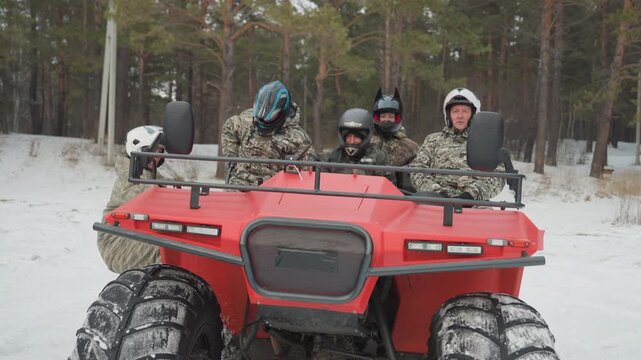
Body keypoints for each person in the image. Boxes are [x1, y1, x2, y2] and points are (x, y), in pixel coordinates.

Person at [410, 87, 505, 200]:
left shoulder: (486, 142)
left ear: (473, 114)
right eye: (455, 111)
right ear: (448, 114)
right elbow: (417, 170)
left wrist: (471, 195)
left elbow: (498, 177)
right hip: (435, 202)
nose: (460, 116)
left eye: (465, 111)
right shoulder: (433, 140)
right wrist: (436, 192)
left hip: (473, 205)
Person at [222, 80, 317, 186]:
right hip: (238, 187)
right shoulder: (246, 120)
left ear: (282, 111)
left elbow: (306, 176)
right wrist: (231, 161)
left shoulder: (298, 139)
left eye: (271, 116)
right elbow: (229, 127)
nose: (264, 120)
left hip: (271, 193)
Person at [97, 125, 163, 273]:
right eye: (154, 151)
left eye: (160, 151)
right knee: (176, 251)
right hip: (117, 242)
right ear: (140, 149)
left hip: (136, 235)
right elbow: (155, 199)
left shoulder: (150, 175)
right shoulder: (130, 176)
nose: (158, 156)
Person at [325, 108, 392, 179]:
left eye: (357, 137)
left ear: (366, 137)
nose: (352, 141)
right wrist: (312, 161)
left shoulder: (378, 157)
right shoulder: (335, 155)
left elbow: (388, 186)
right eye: (348, 136)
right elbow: (320, 171)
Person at [370, 88, 419, 166]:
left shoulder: (410, 147)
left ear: (397, 118)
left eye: (391, 116)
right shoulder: (367, 142)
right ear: (377, 117)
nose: (386, 119)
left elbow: (418, 170)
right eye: (383, 116)